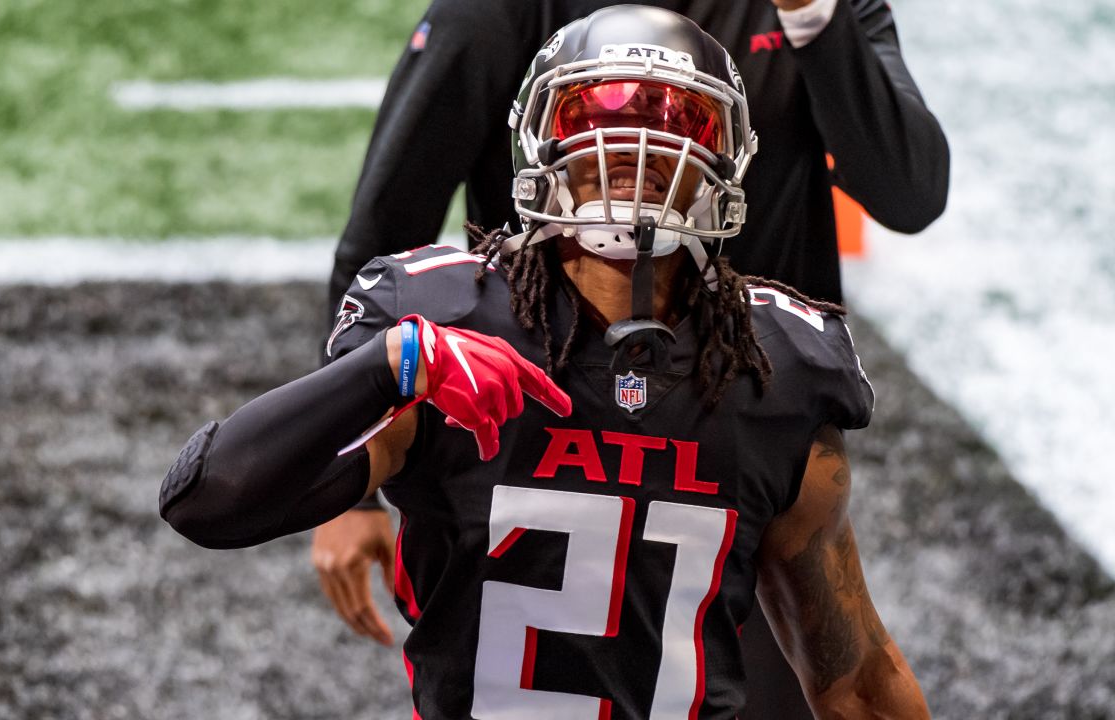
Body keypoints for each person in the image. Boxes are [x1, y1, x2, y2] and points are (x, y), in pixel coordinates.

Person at [163, 8, 930, 716]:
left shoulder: (774, 374)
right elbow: (208, 499)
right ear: (540, 146)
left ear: (725, 164)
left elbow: (856, 681)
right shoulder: (448, 339)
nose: (635, 147)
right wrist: (387, 367)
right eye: (597, 117)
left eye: (676, 122)